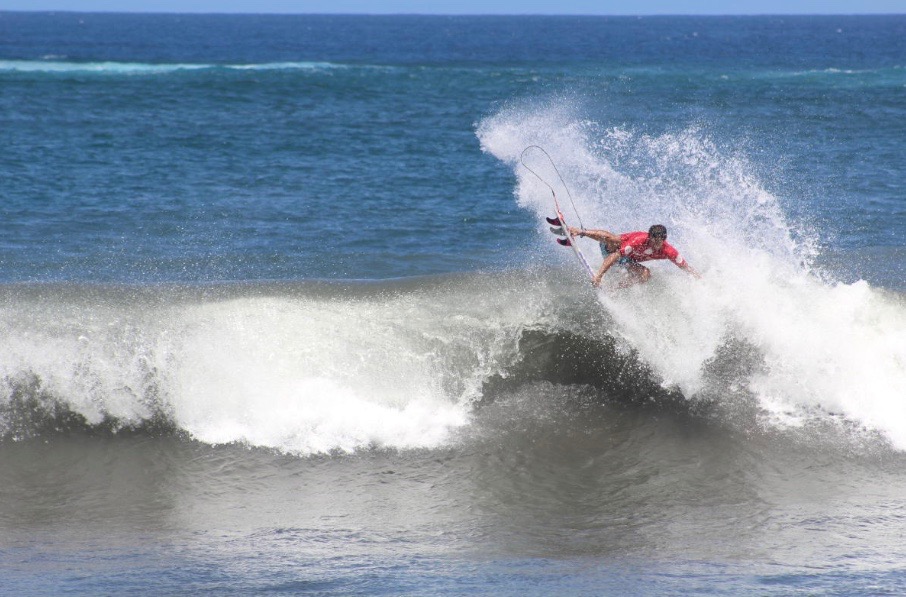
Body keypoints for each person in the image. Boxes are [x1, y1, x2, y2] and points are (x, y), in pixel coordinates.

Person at [568, 224, 701, 288]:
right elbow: (615, 255)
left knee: (646, 274)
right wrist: (599, 276)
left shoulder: (669, 251)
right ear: (649, 237)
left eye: (659, 242)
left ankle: (613, 288)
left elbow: (684, 266)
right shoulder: (638, 241)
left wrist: (698, 277)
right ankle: (579, 232)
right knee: (614, 240)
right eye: (653, 241)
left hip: (626, 261)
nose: (655, 244)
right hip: (610, 250)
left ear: (664, 239)